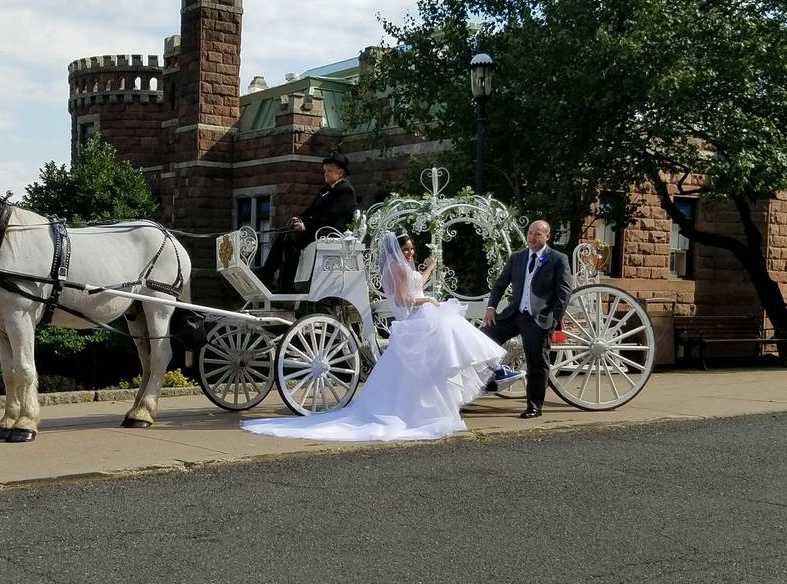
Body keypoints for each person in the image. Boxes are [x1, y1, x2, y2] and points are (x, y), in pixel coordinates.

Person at [241, 232, 506, 441]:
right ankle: (493, 367)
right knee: (453, 328)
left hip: (414, 319)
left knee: (442, 344)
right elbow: (405, 299)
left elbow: (412, 286)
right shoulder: (399, 268)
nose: (410, 252)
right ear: (397, 250)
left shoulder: (396, 267)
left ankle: (489, 370)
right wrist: (430, 302)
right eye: (406, 249)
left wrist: (428, 270)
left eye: (412, 248)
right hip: (417, 317)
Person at [482, 219, 573, 419]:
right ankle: (490, 376)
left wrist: (552, 320)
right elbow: (500, 285)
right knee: (482, 338)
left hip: (538, 319)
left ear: (547, 236)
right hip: (514, 314)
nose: (532, 238)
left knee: (537, 363)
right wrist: (491, 307)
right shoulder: (518, 257)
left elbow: (564, 294)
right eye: (530, 233)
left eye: (538, 234)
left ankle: (534, 406)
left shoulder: (558, 259)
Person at [253, 153, 358, 292]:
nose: (326, 173)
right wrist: (300, 220)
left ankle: (286, 284)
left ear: (340, 172)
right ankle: (267, 271)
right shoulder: (325, 190)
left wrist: (305, 226)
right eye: (325, 171)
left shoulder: (344, 190)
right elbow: (310, 210)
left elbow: (330, 215)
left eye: (330, 170)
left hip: (329, 232)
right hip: (316, 228)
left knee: (292, 238)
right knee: (287, 230)